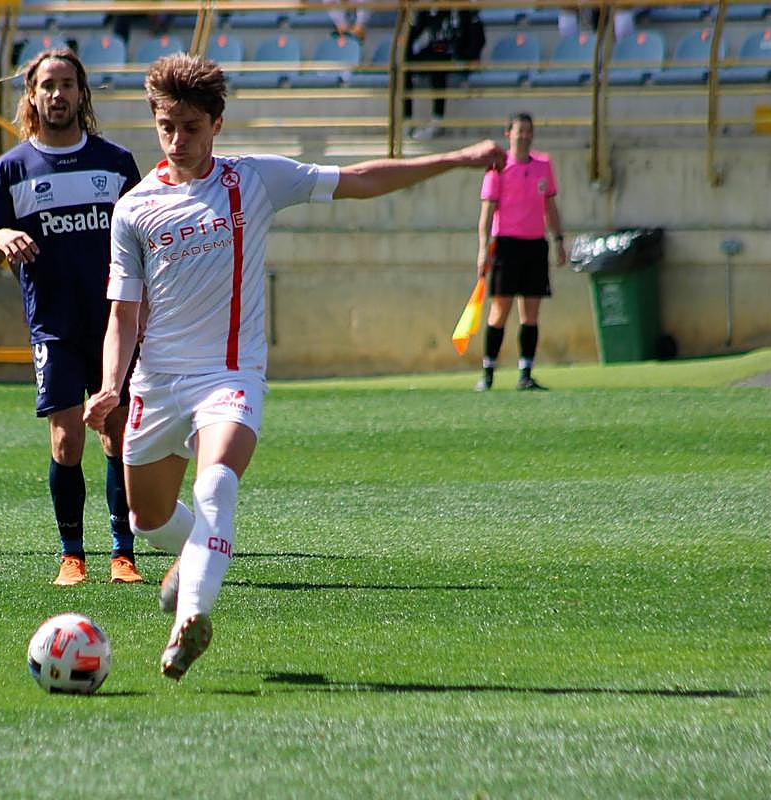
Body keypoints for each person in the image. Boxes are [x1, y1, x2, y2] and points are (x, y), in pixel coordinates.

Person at [84, 54, 505, 681]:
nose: (178, 140)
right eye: (167, 126)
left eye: (192, 127)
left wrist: (455, 160)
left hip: (229, 376)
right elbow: (123, 314)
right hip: (155, 383)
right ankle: (199, 555)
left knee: (217, 481)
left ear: (218, 124)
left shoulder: (254, 180)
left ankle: (191, 618)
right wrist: (111, 388)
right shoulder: (134, 209)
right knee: (146, 519)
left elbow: (359, 177)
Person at [0, 48, 144, 587]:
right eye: (47, 85)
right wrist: (0, 237)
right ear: (32, 95)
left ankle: (123, 553)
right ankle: (72, 554)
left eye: (67, 84)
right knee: (66, 440)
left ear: (81, 93)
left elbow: (146, 235)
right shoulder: (11, 169)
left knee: (117, 433)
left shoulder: (115, 163)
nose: (57, 94)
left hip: (113, 321)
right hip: (53, 324)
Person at [475, 112, 566, 392]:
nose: (524, 135)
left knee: (530, 314)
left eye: (528, 131)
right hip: (506, 244)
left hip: (534, 244)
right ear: (508, 134)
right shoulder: (498, 167)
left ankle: (525, 374)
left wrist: (558, 240)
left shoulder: (543, 164)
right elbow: (487, 212)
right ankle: (488, 372)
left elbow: (549, 206)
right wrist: (483, 250)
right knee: (499, 310)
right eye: (519, 131)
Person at [404, 8, 483, 140]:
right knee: (405, 67)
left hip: (455, 56)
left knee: (437, 66)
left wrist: (468, 58)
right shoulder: (427, 9)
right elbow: (414, 34)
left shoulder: (464, 9)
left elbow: (478, 37)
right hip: (435, 52)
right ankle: (407, 121)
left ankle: (437, 120)